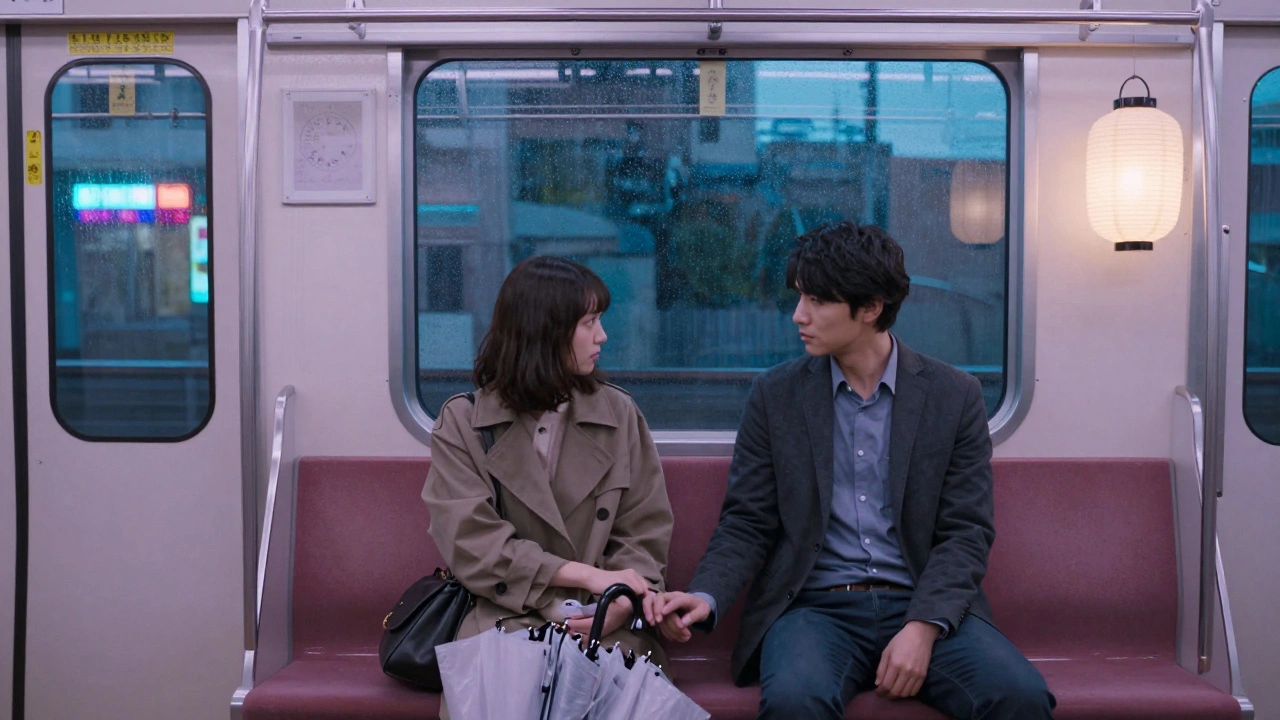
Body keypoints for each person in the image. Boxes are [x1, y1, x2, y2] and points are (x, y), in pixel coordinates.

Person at [644, 222, 1054, 719]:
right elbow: (748, 521)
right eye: (799, 298)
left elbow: (965, 533)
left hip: (921, 601)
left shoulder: (954, 396)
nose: (799, 315)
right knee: (796, 702)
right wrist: (706, 596)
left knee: (1020, 696)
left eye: (817, 301)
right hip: (814, 609)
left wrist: (923, 627)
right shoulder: (776, 396)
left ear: (871, 308)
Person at [423, 255, 672, 661]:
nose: (602, 336)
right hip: (505, 614)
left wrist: (621, 600)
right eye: (589, 323)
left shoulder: (617, 414)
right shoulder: (465, 423)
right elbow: (473, 543)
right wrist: (588, 575)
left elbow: (644, 531)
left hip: (604, 618)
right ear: (546, 333)